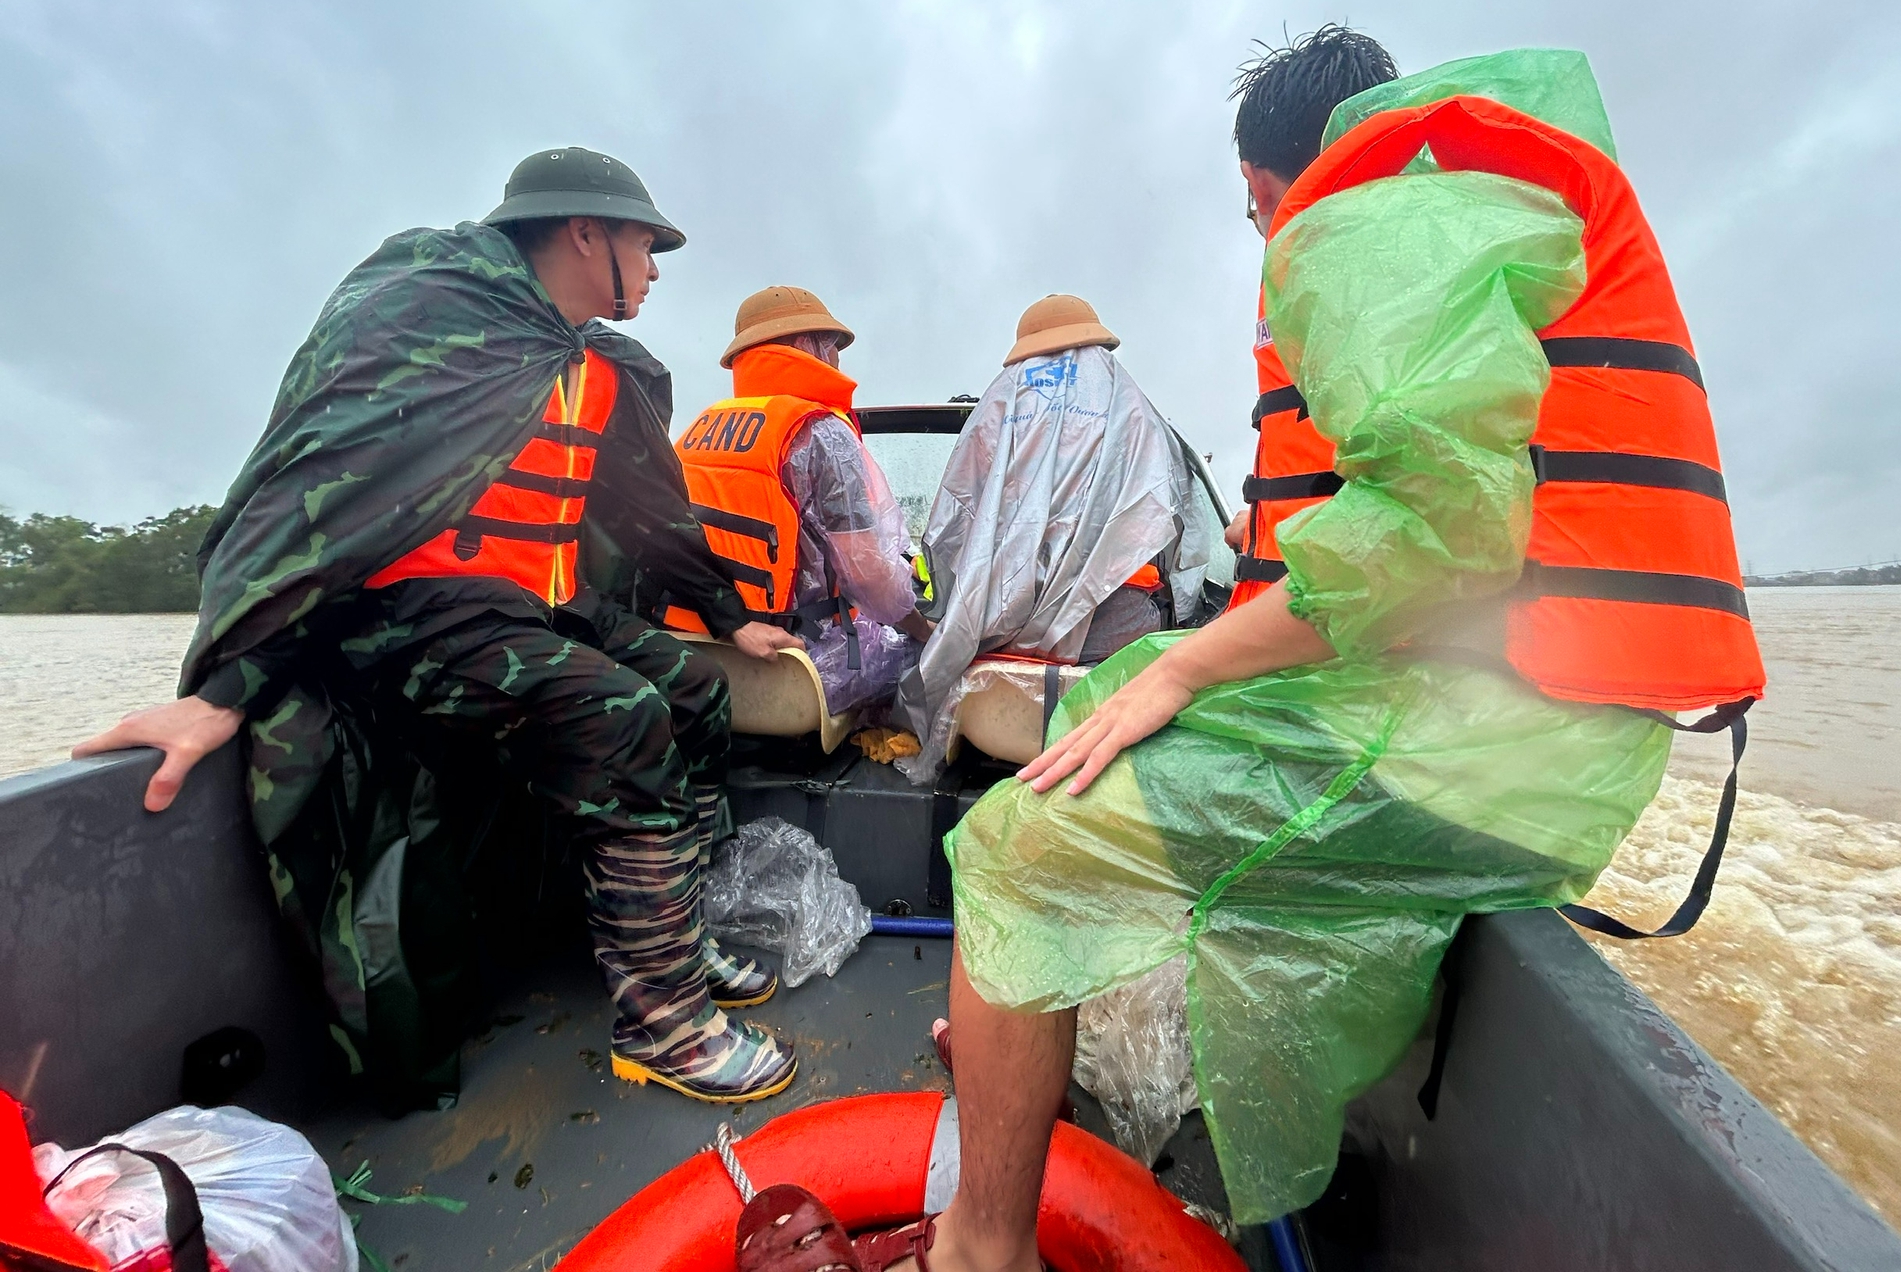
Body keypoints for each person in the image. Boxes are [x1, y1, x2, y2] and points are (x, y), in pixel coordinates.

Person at [781, 42, 1770, 1270]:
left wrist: (1188, 667)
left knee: (1005, 853)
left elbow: (1440, 535)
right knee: (1099, 701)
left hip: (1492, 749)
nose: (1264, 239)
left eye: (1254, 212)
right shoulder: (1448, 199)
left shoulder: (1364, 221)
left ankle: (980, 1252)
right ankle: (1034, 1026)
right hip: (1524, 727)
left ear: (1264, 182)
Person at [75, 148, 806, 1111]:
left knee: (696, 689)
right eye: (645, 243)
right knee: (621, 712)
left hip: (529, 606)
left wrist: (730, 618)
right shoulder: (434, 311)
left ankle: (671, 932)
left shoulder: (595, 368)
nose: (659, 268)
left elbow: (648, 518)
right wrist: (226, 689)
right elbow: (316, 493)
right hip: (409, 613)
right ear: (585, 234)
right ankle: (659, 1021)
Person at [899, 294, 1210, 779]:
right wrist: (1186, 617)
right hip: (1115, 642)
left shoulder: (996, 406)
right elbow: (1179, 530)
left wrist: (943, 615)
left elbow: (950, 525)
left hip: (996, 638)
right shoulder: (1133, 409)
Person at [665, 286, 931, 718]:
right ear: (803, 347)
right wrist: (924, 629)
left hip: (700, 656)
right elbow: (871, 578)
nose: (838, 358)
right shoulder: (824, 434)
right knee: (922, 655)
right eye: (831, 345)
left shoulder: (698, 430)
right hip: (797, 666)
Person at [1223, 24, 1401, 608]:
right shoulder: (1437, 255)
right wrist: (1265, 519)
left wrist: (1185, 667)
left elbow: (1397, 532)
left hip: (1338, 646)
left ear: (1257, 181)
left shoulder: (1329, 274)